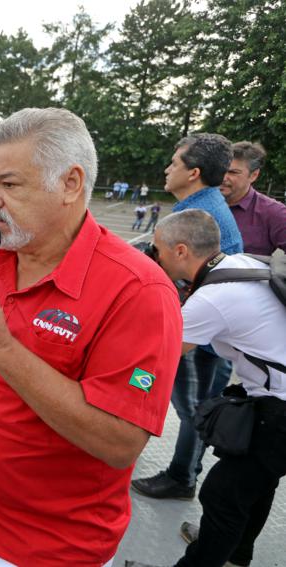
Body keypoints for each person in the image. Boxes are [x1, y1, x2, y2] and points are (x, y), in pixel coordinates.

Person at [0, 108, 183, 566]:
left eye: (9, 184)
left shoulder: (139, 292)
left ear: (70, 183)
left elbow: (120, 443)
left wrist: (1, 347)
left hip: (47, 550)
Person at [125, 211, 286, 567]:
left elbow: (156, 364)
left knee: (222, 495)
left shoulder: (211, 299)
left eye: (158, 248)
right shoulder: (241, 264)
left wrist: (129, 387)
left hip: (279, 410)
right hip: (272, 400)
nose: (156, 254)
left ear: (180, 251)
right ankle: (236, 556)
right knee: (257, 485)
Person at [133, 133, 243, 501]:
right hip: (206, 326)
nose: (167, 169)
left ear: (193, 172)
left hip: (198, 331)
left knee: (193, 409)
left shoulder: (199, 213)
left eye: (174, 162)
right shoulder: (204, 204)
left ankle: (182, 476)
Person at [219, 141, 286, 255]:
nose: (223, 178)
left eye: (233, 172)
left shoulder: (274, 213)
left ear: (253, 175)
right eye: (221, 170)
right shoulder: (199, 206)